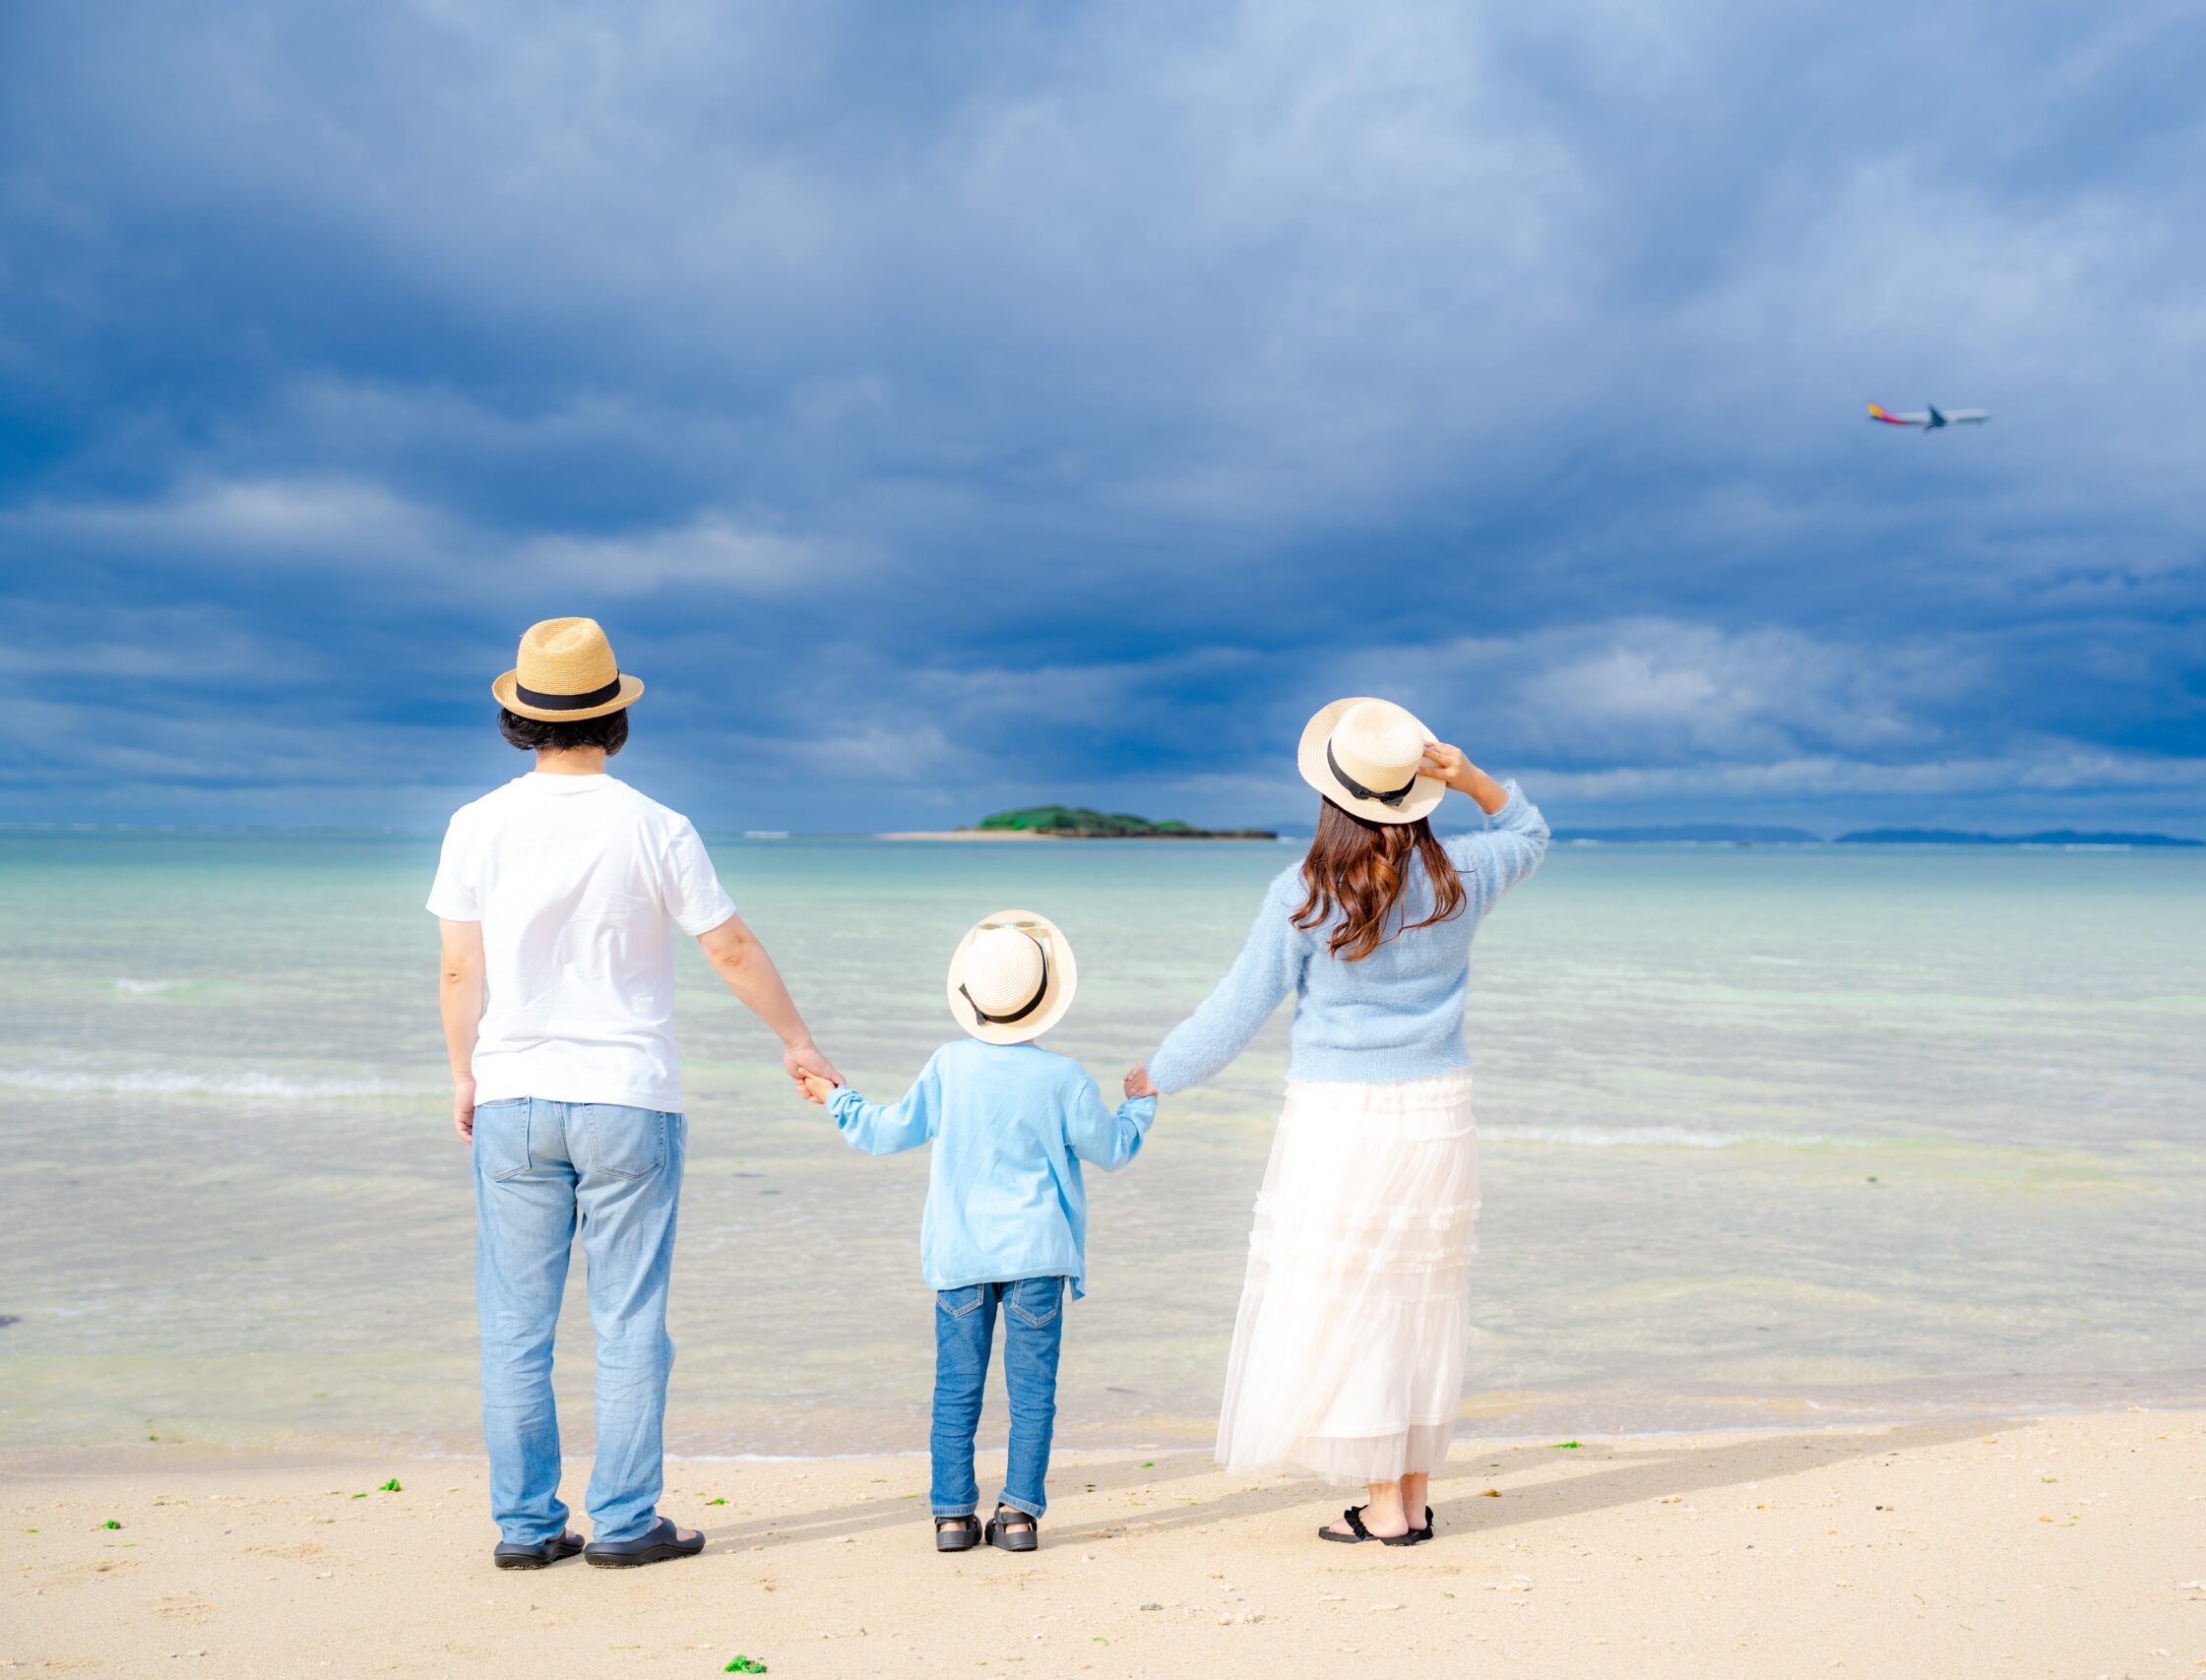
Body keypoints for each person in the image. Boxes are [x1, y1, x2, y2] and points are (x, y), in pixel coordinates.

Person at [430, 617, 841, 1571]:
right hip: (628, 1097)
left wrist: (466, 1074)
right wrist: (798, 1040)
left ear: (519, 719)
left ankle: (528, 1528)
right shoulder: (657, 827)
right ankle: (622, 1522)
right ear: (614, 718)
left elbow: (460, 973)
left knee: (516, 1328)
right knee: (628, 1321)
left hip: (516, 1098)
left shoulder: (474, 826)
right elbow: (729, 948)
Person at [1138, 696, 1546, 1546]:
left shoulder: (1305, 891)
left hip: (1337, 1124)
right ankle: (1415, 1496)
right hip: (1437, 1116)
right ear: (1414, 793)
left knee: (1360, 1302)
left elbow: (1235, 1011)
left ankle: (1383, 1505)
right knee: (1422, 1300)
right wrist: (1470, 776)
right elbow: (1531, 833)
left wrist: (1159, 1073)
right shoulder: (1461, 875)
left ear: (1333, 796)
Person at [801, 909, 1154, 1554]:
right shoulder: (1065, 1076)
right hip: (1037, 1257)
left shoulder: (950, 1065)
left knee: (956, 1390)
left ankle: (954, 1518)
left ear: (973, 998)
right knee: (1032, 1393)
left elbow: (885, 1132)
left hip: (961, 1255)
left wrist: (835, 1096)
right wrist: (1141, 1101)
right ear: (1044, 998)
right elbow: (1115, 1148)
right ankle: (1018, 1515)